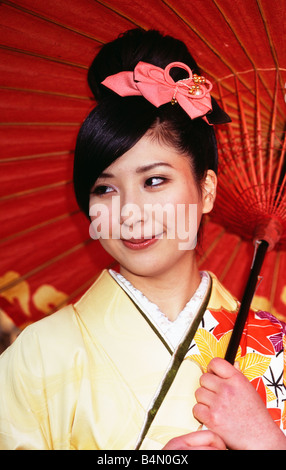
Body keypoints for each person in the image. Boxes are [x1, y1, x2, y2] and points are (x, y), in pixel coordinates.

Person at [0, 28, 285, 451]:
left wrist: (265, 443)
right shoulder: (37, 355)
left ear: (206, 190)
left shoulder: (276, 349)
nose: (129, 213)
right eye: (105, 188)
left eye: (154, 180)